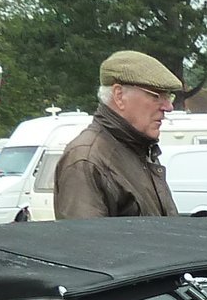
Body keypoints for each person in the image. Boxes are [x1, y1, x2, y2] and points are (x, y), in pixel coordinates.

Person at [55, 50, 183, 219]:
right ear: (119, 95)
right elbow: (86, 242)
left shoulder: (139, 149)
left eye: (169, 97)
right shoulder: (86, 158)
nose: (168, 107)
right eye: (156, 96)